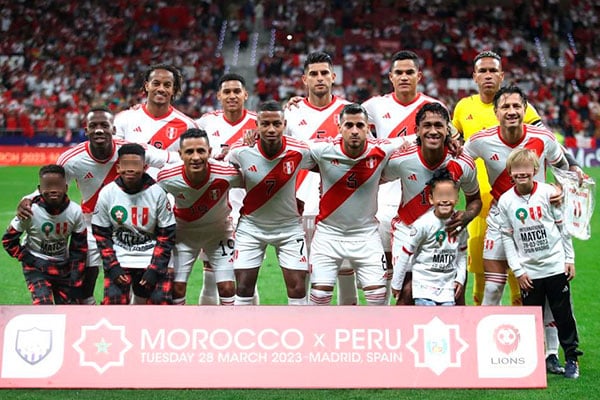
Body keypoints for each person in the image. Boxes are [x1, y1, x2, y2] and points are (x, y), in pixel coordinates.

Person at [16, 106, 175, 305]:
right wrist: (29, 198)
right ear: (86, 130)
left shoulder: (129, 151)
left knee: (138, 281)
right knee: (83, 285)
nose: (99, 130)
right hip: (91, 223)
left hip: (128, 224)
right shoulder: (72, 159)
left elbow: (169, 160)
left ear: (113, 129)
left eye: (104, 125)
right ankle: (92, 314)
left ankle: (133, 310)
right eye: (93, 125)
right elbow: (53, 184)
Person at [463, 85, 568, 307]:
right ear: (496, 112)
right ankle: (486, 329)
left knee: (542, 289)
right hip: (499, 218)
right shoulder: (480, 140)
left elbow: (562, 165)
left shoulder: (543, 138)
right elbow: (459, 165)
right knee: (493, 287)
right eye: (505, 107)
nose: (511, 111)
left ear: (524, 109)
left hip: (537, 220)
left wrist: (560, 188)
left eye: (516, 106)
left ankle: (546, 333)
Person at [362, 50, 451, 304]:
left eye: (409, 72)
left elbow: (451, 139)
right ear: (390, 76)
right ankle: (384, 321)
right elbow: (345, 118)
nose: (404, 77)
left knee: (419, 270)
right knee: (386, 269)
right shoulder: (374, 106)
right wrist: (298, 101)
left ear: (419, 76)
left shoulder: (434, 108)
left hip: (421, 201)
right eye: (398, 73)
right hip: (383, 200)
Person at [383, 103, 481, 305]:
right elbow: (372, 177)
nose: (433, 131)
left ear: (448, 130)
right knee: (407, 291)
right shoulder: (402, 159)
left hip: (446, 233)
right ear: (417, 130)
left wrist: (468, 215)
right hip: (408, 229)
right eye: (427, 125)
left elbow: (475, 200)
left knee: (456, 294)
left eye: (439, 125)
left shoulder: (462, 162)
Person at [497, 148, 582, 379]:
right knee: (532, 319)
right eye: (516, 168)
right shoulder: (505, 201)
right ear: (509, 172)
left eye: (526, 168)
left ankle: (572, 358)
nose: (522, 172)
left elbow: (563, 227)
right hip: (529, 271)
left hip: (554, 265)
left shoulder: (548, 193)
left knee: (563, 315)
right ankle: (534, 361)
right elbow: (507, 237)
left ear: (535, 170)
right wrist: (518, 270)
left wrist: (569, 259)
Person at [308, 103, 404, 306]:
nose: (354, 131)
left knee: (378, 298)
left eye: (360, 125)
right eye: (348, 125)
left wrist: (451, 136)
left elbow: (416, 138)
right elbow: (287, 147)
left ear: (368, 128)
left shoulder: (381, 149)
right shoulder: (323, 149)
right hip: (328, 234)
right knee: (319, 298)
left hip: (366, 235)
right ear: (339, 128)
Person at [284, 51, 358, 305]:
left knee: (345, 271)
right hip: (301, 203)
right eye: (313, 74)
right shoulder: (291, 113)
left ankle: (348, 327)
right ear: (304, 79)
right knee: (303, 272)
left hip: (342, 204)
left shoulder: (349, 112)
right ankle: (306, 324)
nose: (319, 78)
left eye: (324, 73)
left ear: (333, 77)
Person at [227, 100, 312, 305]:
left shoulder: (300, 150)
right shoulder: (240, 150)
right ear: (256, 126)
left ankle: (299, 326)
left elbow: (325, 165)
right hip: (251, 226)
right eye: (265, 124)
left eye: (276, 124)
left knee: (298, 288)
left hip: (289, 227)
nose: (271, 129)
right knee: (243, 288)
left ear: (284, 125)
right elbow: (223, 172)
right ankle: (242, 326)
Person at [157, 129, 243, 305]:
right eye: (189, 152)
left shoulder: (227, 173)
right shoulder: (166, 177)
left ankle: (230, 322)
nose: (195, 157)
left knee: (227, 288)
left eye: (201, 151)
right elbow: (153, 202)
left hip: (219, 233)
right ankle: (178, 323)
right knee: (176, 288)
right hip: (184, 234)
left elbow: (255, 183)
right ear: (180, 154)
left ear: (209, 152)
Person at [195, 73, 257, 305]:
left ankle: (248, 323)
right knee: (210, 274)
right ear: (219, 96)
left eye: (237, 91)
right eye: (227, 92)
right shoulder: (205, 123)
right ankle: (210, 324)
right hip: (213, 208)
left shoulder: (259, 123)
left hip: (249, 208)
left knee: (246, 276)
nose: (232, 96)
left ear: (245, 95)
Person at [92, 143, 176, 305]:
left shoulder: (158, 193)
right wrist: (113, 267)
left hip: (151, 258)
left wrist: (155, 269)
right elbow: (101, 235)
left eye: (135, 165)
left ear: (144, 167)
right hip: (120, 259)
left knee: (161, 306)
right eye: (125, 165)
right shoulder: (107, 193)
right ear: (118, 168)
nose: (130, 169)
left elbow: (167, 235)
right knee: (113, 306)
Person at [3, 164, 87, 304]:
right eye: (48, 186)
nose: (53, 190)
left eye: (58, 186)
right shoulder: (29, 211)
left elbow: (79, 249)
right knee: (43, 305)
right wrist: (29, 259)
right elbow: (8, 241)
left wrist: (75, 278)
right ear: (39, 189)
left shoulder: (76, 212)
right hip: (36, 266)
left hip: (63, 266)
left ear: (66, 188)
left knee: (70, 309)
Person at [391, 167, 468, 306]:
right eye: (440, 195)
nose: (445, 200)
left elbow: (462, 254)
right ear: (431, 199)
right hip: (423, 288)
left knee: (446, 319)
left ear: (457, 198)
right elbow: (406, 253)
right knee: (427, 318)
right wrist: (396, 284)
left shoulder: (459, 223)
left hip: (447, 289)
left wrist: (460, 279)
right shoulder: (423, 224)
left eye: (449, 195)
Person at [114, 63, 197, 176]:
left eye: (167, 85)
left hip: (167, 187)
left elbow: (194, 161)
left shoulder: (188, 126)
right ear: (147, 86)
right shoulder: (124, 118)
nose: (161, 89)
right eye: (156, 83)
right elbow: (114, 156)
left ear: (173, 90)